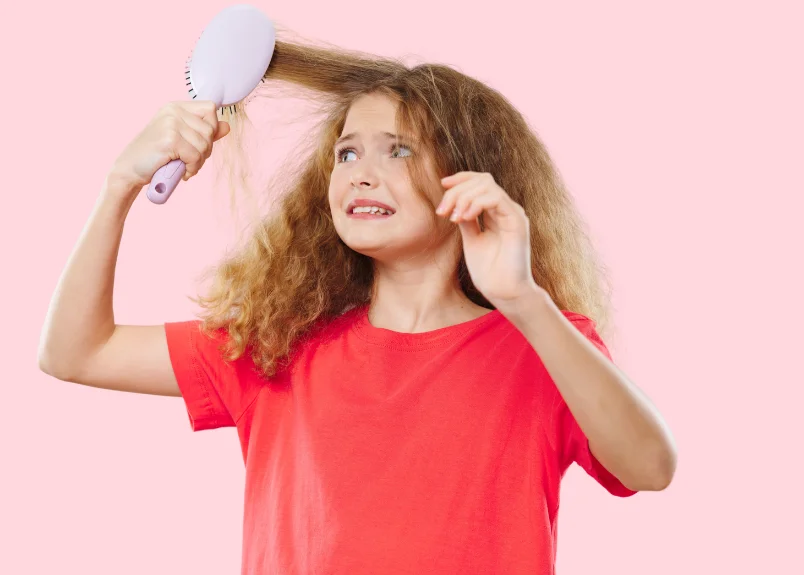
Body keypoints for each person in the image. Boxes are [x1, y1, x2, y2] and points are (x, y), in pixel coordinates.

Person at [38, 39, 676, 574]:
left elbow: (649, 467)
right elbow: (75, 351)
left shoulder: (544, 346)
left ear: (473, 177)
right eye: (348, 152)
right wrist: (119, 184)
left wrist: (524, 302)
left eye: (399, 150)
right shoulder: (277, 344)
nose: (360, 173)